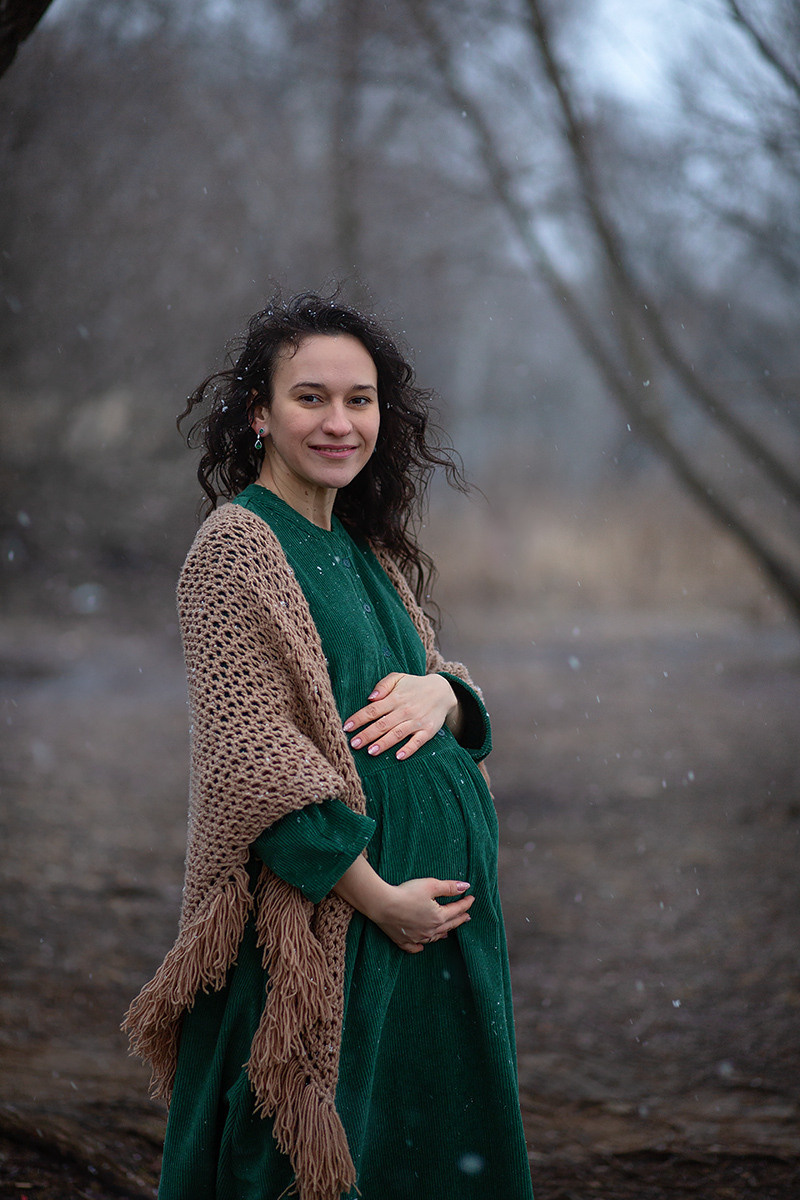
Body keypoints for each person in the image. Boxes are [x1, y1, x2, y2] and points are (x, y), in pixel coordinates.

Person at [124, 292, 535, 1200]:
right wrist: (380, 899)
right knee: (308, 1155)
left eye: (361, 399)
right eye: (311, 398)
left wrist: (446, 694)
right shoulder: (237, 548)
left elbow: (433, 685)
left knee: (425, 1153)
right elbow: (255, 761)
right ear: (260, 413)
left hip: (428, 936)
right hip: (334, 924)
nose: (340, 421)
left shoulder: (360, 546)